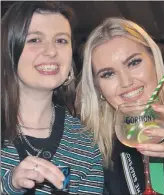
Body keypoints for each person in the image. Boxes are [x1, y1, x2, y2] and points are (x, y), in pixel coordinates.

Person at [1, 2, 104, 195]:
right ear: (9, 50)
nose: (51, 51)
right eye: (35, 40)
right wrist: (8, 186)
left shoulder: (84, 143)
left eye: (61, 40)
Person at [79, 17, 164, 194]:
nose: (126, 82)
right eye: (108, 74)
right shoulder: (95, 152)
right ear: (98, 88)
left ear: (154, 61)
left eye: (133, 63)